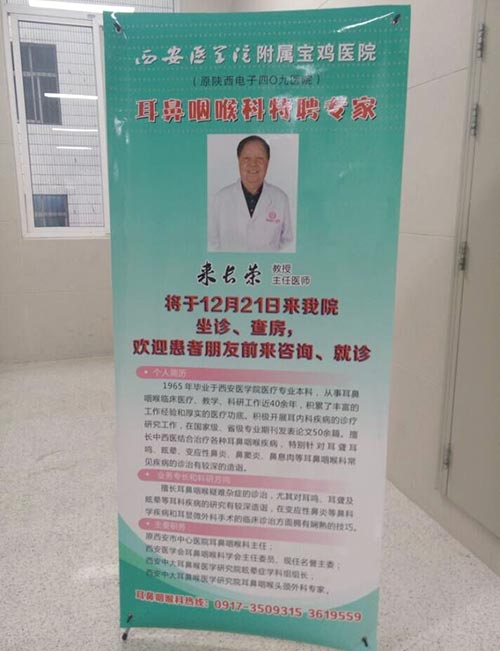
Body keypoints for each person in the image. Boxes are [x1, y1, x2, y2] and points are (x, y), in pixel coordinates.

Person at [208, 135, 294, 252]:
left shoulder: (281, 199)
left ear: (268, 162)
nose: (253, 164)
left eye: (260, 159)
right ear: (238, 160)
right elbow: (212, 243)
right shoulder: (221, 199)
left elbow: (288, 243)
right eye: (246, 158)